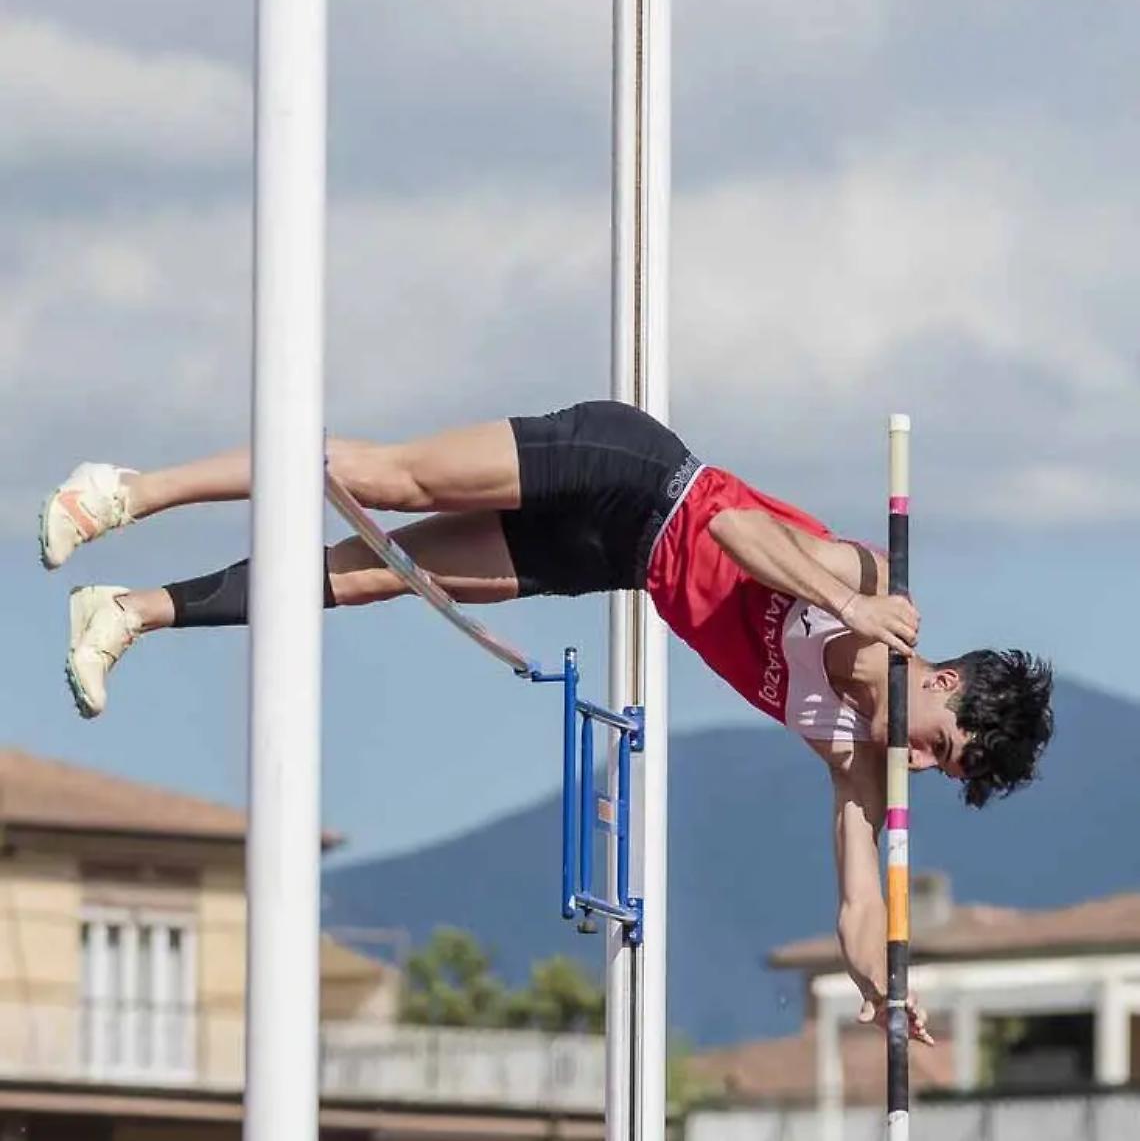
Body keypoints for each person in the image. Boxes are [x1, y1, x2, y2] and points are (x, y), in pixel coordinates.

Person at [40, 399, 1053, 1044]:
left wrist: (883, 989)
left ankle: (130, 611)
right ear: (949, 684)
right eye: (941, 744)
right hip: (629, 473)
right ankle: (128, 487)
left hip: (615, 558)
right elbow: (736, 529)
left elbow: (859, 907)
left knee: (374, 576)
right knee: (385, 477)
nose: (920, 760)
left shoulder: (854, 755)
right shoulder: (866, 597)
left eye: (940, 771)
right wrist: (858, 602)